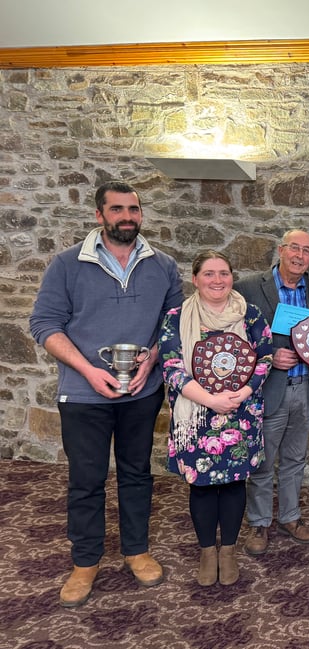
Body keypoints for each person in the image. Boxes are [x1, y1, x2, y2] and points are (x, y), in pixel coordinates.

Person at [29, 180, 183, 608]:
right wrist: (87, 370)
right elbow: (44, 324)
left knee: (137, 473)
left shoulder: (163, 265)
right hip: (83, 394)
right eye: (117, 209)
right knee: (86, 478)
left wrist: (152, 361)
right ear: (99, 215)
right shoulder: (66, 264)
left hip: (141, 391)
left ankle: (136, 550)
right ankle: (85, 561)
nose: (126, 217)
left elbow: (171, 324)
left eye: (133, 209)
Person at [159, 251, 273, 586]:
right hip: (197, 415)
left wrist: (243, 392)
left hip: (240, 413)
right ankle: (208, 551)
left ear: (232, 277)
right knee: (202, 485)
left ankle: (229, 551)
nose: (217, 280)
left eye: (224, 273)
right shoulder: (177, 317)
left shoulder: (250, 314)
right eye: (209, 273)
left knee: (235, 483)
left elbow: (265, 357)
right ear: (195, 279)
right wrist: (211, 400)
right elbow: (171, 366)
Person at [234, 230, 309, 555]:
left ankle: (290, 518)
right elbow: (234, 339)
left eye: (307, 251)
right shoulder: (248, 288)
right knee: (262, 460)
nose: (300, 256)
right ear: (281, 250)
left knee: (295, 459)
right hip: (269, 388)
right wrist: (270, 355)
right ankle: (259, 522)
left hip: (306, 386)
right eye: (294, 248)